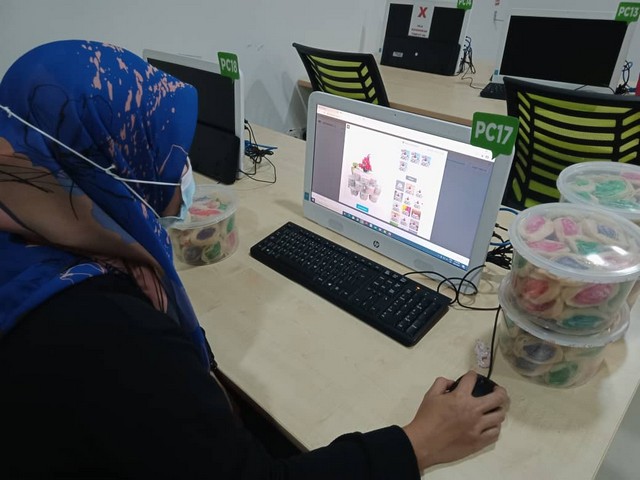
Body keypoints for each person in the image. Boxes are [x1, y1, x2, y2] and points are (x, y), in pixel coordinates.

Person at [0, 40, 509, 479]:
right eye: (169, 153)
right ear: (116, 167)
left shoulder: (27, 240)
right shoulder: (113, 336)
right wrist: (418, 442)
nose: (182, 170)